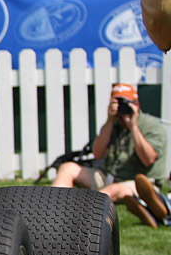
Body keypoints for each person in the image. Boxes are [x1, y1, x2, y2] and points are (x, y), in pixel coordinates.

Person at [51, 83, 169, 226]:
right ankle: (53, 207)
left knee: (116, 189)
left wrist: (133, 127)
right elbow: (98, 153)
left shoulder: (151, 126)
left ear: (136, 104)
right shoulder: (113, 124)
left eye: (125, 103)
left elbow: (148, 160)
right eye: (117, 103)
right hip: (109, 175)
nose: (121, 108)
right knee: (68, 168)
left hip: (138, 180)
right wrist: (109, 121)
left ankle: (75, 213)